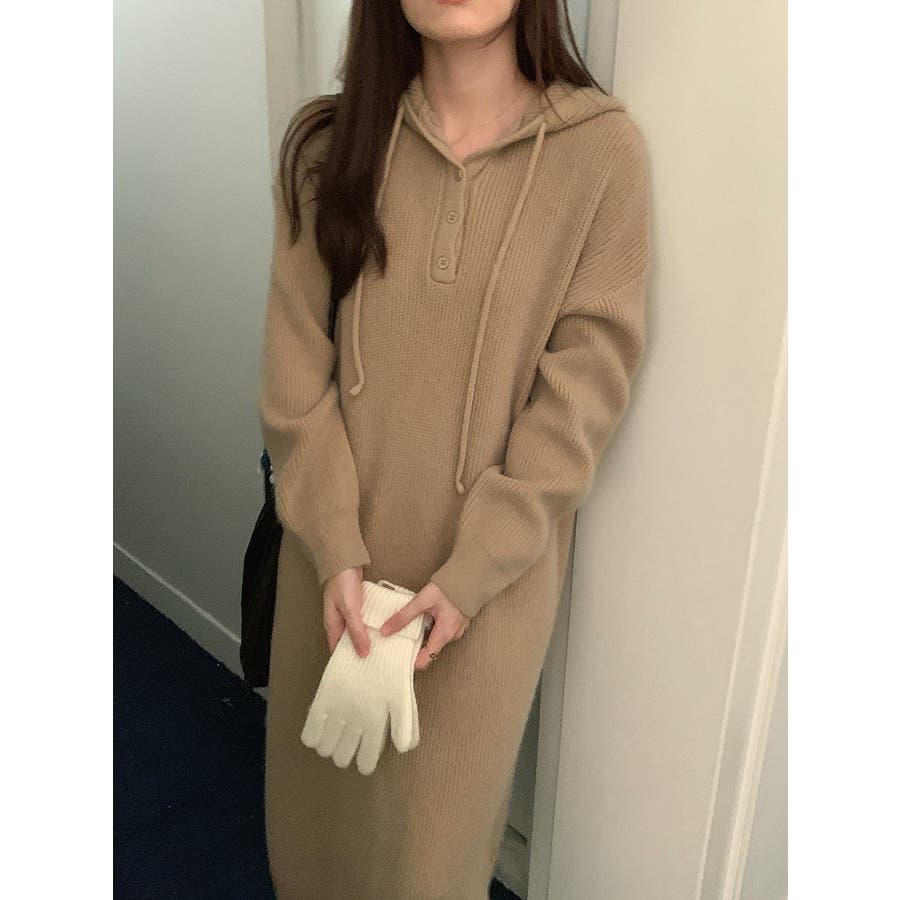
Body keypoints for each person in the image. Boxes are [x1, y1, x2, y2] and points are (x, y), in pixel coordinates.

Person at [256, 0, 650, 896]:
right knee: (313, 843)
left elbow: (583, 396)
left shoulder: (601, 157)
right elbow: (292, 382)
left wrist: (475, 571)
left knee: (430, 863)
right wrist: (335, 550)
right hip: (329, 572)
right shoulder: (328, 148)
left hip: (484, 599)